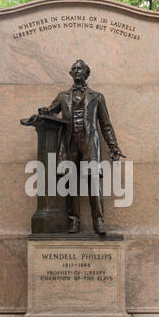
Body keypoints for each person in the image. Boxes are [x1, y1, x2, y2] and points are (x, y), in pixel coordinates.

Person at [37, 59, 125, 235]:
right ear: (71, 73)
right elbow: (51, 110)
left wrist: (113, 147)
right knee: (70, 183)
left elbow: (105, 125)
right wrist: (45, 111)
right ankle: (73, 221)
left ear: (86, 73)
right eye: (74, 69)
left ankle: (99, 221)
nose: (77, 71)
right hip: (69, 143)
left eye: (80, 69)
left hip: (89, 142)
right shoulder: (62, 96)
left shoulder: (97, 97)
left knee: (94, 182)